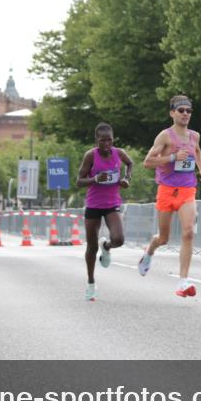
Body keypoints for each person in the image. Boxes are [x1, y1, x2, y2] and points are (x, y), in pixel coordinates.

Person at [140, 95, 201, 297]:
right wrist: (172, 157)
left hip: (187, 189)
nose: (185, 114)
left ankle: (183, 282)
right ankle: (149, 251)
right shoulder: (165, 136)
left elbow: (197, 151)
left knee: (188, 232)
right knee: (163, 238)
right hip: (166, 189)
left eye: (189, 111)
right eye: (181, 110)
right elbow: (147, 162)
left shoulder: (194, 136)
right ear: (172, 113)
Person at [77, 123, 134, 301]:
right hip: (94, 204)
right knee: (91, 247)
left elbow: (130, 163)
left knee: (119, 239)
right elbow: (79, 181)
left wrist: (126, 178)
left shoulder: (119, 153)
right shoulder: (90, 155)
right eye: (103, 141)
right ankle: (91, 283)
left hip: (112, 203)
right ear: (97, 141)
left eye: (109, 140)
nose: (107, 144)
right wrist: (94, 179)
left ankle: (106, 247)